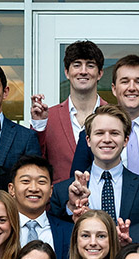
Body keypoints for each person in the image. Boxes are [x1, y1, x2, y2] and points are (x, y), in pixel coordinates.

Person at [51, 105, 139, 224]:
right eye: (99, 133)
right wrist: (72, 207)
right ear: (88, 140)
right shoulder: (62, 193)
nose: (107, 139)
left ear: (125, 141)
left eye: (114, 133)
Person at [31, 41, 106, 182]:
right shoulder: (49, 117)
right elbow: (35, 163)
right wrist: (39, 125)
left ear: (100, 73)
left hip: (104, 201)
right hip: (59, 202)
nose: (83, 71)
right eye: (77, 65)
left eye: (90, 65)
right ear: (66, 72)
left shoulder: (114, 117)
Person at [8, 155, 73, 259]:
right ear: (12, 189)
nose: (34, 188)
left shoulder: (68, 231)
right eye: (26, 181)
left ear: (51, 190)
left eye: (41, 182)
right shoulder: (1, 228)